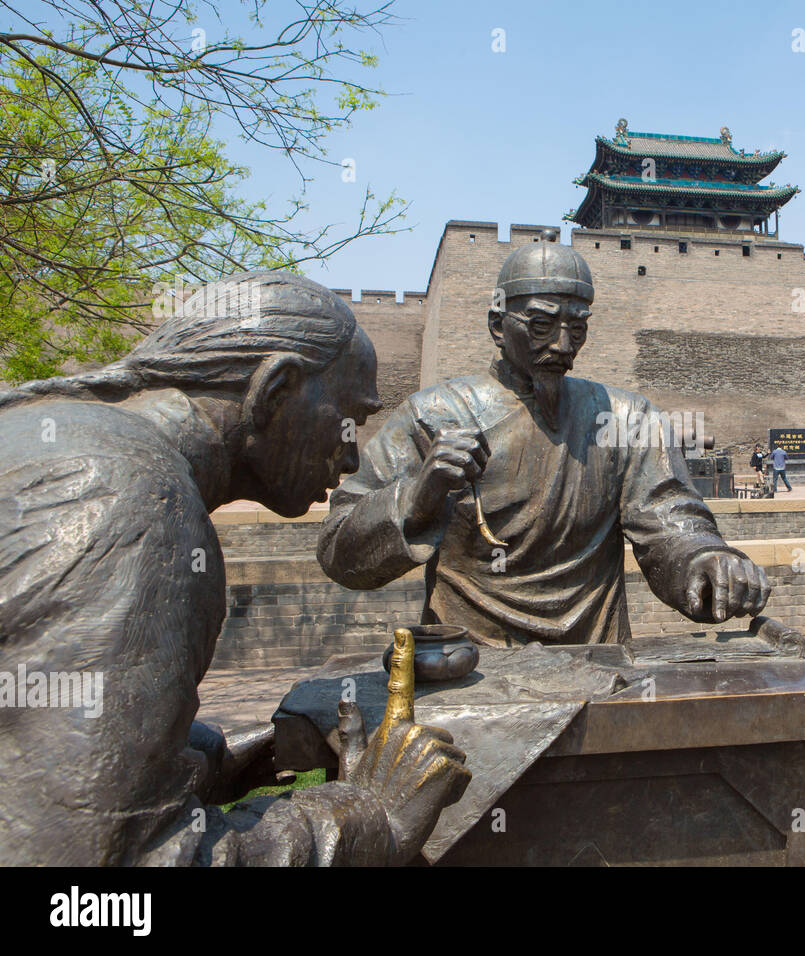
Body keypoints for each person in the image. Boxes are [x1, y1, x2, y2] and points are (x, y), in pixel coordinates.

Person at [0, 272, 470, 865]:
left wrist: (216, 764)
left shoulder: (54, 432)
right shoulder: (136, 506)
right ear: (274, 391)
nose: (351, 456)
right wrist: (368, 814)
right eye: (349, 421)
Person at [318, 241, 770, 645]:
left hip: (594, 658)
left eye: (578, 327)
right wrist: (417, 497)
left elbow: (670, 522)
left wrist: (707, 561)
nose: (562, 344)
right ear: (498, 325)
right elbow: (340, 551)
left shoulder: (628, 418)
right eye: (540, 324)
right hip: (471, 669)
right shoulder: (432, 415)